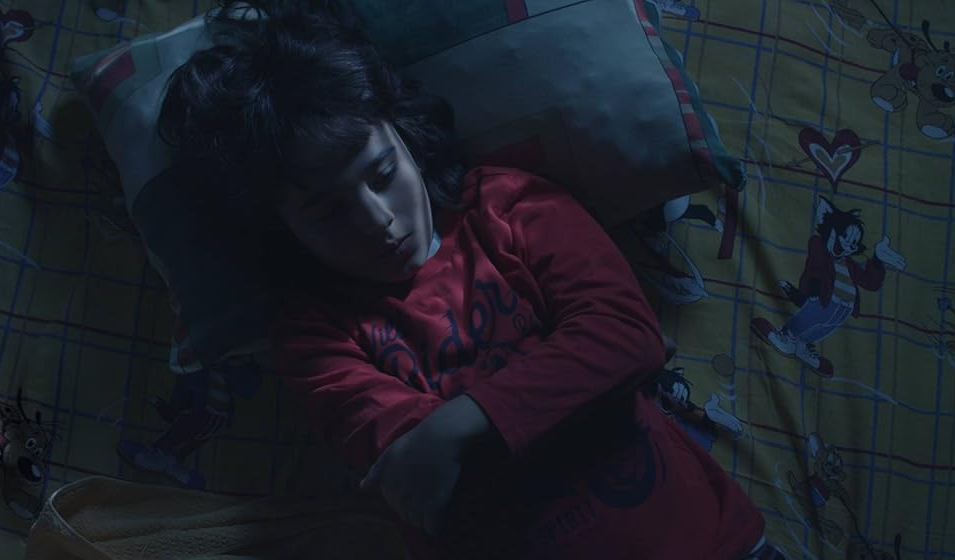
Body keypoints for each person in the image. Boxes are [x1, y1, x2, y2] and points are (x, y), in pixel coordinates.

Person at [158, 1, 775, 558]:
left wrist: (455, 426)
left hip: (713, 542)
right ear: (282, 228)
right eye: (326, 210)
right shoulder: (312, 337)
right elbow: (425, 481)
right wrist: (577, 378)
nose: (378, 220)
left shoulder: (507, 207)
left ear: (403, 135)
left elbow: (627, 336)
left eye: (382, 174)